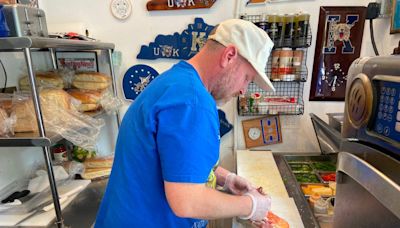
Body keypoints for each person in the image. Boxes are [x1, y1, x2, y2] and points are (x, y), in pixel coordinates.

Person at [95, 18, 275, 228]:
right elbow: (187, 201)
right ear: (229, 56)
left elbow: (172, 157)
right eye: (247, 78)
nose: (244, 90)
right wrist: (250, 206)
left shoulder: (176, 83)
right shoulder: (192, 102)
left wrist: (225, 178)